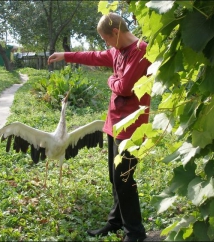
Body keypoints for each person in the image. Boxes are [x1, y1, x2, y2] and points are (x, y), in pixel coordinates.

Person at [48, 12, 151, 242]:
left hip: (133, 128)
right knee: (114, 179)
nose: (105, 44)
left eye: (106, 39)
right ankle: (116, 222)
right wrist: (65, 55)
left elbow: (124, 87)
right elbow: (93, 56)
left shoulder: (140, 51)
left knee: (124, 179)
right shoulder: (116, 51)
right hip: (114, 125)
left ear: (116, 32)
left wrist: (110, 80)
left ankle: (135, 233)